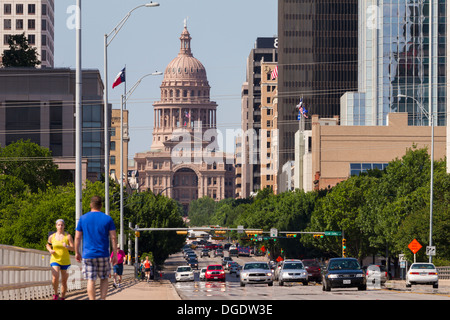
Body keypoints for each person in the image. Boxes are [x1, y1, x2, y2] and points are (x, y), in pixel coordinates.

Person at [75, 196, 118, 300]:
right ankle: (103, 298)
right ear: (101, 206)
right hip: (103, 254)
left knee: (91, 280)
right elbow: (113, 237)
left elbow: (77, 237)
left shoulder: (83, 218)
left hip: (88, 255)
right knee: (104, 278)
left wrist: (77, 252)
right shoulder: (108, 219)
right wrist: (115, 254)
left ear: (90, 205)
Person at [46, 219, 74, 300]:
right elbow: (48, 245)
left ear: (64, 226)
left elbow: (74, 248)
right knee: (55, 277)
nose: (60, 226)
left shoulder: (68, 236)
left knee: (64, 282)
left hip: (65, 261)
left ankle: (63, 297)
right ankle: (55, 293)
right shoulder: (52, 236)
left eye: (62, 225)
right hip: (55, 259)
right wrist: (50, 250)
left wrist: (67, 246)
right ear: (56, 226)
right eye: (59, 225)